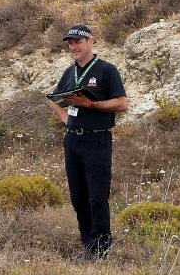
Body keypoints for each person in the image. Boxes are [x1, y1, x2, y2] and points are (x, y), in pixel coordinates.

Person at [47, 24, 128, 258]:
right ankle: (88, 241)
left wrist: (92, 105)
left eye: (77, 42)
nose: (73, 47)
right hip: (73, 140)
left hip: (97, 139)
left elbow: (122, 104)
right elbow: (53, 97)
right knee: (78, 195)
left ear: (90, 42)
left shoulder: (106, 70)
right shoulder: (69, 72)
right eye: (70, 43)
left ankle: (102, 243)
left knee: (97, 194)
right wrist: (63, 115)